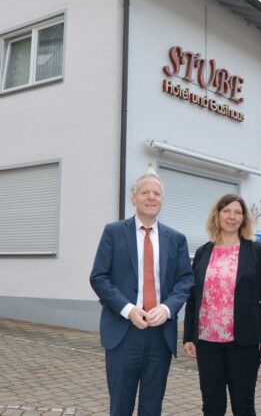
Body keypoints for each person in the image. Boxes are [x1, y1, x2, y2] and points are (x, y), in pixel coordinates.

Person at [90, 171, 194, 416]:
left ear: (162, 200)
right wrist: (128, 309)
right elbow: (99, 277)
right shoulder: (114, 232)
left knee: (152, 406)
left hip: (160, 334)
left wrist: (167, 308)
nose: (151, 197)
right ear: (133, 197)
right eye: (145, 192)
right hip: (123, 332)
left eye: (156, 193)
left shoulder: (176, 239)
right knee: (120, 406)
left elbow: (185, 280)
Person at [183, 194, 261, 415]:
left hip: (244, 341)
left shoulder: (255, 250)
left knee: (243, 405)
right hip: (207, 341)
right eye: (227, 211)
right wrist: (188, 336)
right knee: (212, 406)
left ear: (244, 218)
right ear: (217, 215)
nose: (232, 217)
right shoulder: (203, 252)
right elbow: (193, 297)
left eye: (237, 212)